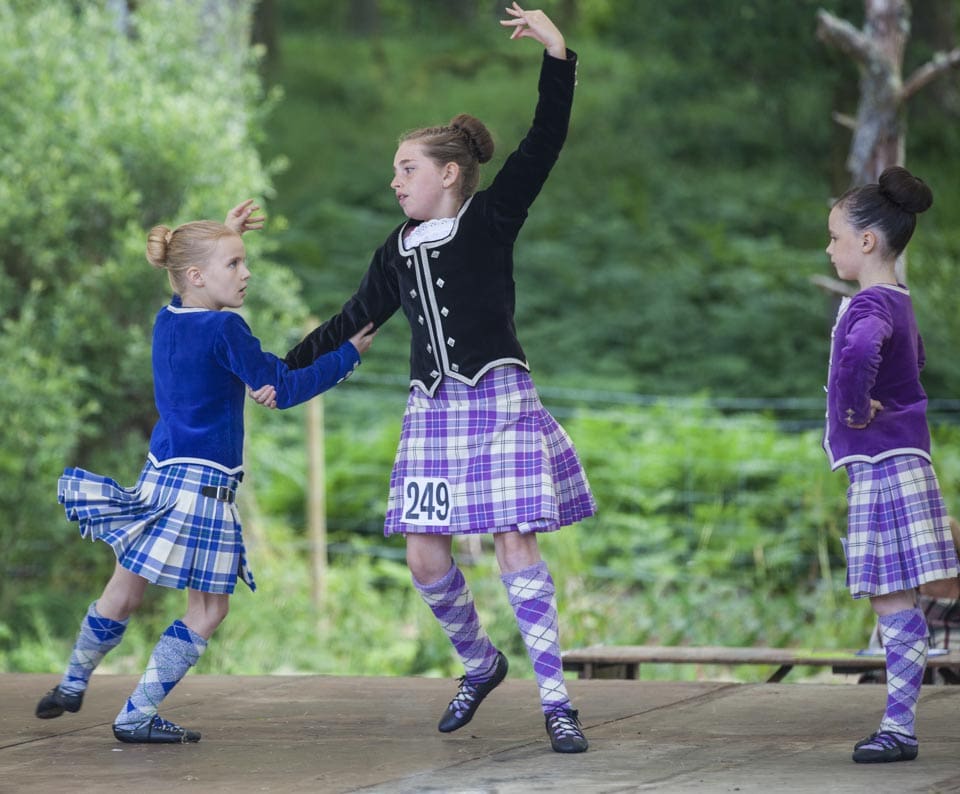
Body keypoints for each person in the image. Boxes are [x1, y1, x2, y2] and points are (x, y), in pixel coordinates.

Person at [256, 4, 593, 754]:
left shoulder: (492, 216)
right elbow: (351, 318)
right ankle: (479, 663)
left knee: (515, 543)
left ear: (448, 173)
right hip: (433, 415)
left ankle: (557, 702)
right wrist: (282, 370)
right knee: (423, 555)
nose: (394, 181)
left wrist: (557, 54)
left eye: (406, 168)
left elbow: (544, 141)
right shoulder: (396, 249)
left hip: (499, 401)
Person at [35, 200, 376, 744]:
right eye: (235, 264)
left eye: (243, 262)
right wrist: (346, 356)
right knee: (210, 609)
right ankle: (135, 715)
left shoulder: (168, 319)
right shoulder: (226, 329)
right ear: (196, 275)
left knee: (123, 590)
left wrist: (223, 236)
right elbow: (281, 389)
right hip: (202, 490)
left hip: (158, 477)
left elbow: (191, 294)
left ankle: (73, 682)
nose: (247, 274)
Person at [823, 166, 959, 764]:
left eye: (834, 238)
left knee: (889, 595)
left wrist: (855, 410)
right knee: (895, 593)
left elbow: (858, 354)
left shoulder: (869, 305)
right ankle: (898, 724)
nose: (829, 248)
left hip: (882, 461)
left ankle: (899, 729)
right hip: (903, 457)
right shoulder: (899, 300)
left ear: (867, 242)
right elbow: (917, 359)